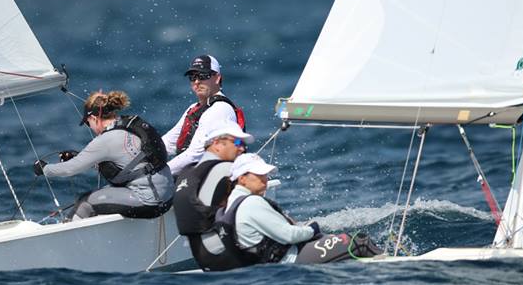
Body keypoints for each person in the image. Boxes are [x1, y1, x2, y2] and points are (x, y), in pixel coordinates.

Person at [217, 153, 382, 267]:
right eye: (259, 174)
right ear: (242, 179)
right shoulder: (251, 203)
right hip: (289, 261)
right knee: (359, 241)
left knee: (333, 241)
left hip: (270, 264)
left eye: (265, 174)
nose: (265, 179)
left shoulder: (231, 205)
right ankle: (391, 271)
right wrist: (313, 228)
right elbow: (289, 235)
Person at [35, 90, 174, 220]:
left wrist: (44, 169)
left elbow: (69, 169)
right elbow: (129, 163)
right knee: (102, 193)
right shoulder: (129, 126)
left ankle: (69, 236)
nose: (90, 127)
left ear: (94, 118)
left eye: (88, 123)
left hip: (150, 202)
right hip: (167, 196)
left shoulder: (105, 140)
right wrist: (78, 156)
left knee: (85, 203)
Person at [171, 121, 253, 271]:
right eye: (237, 142)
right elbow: (255, 206)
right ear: (216, 144)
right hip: (226, 253)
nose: (242, 148)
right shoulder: (228, 169)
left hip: (202, 255)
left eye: (243, 144)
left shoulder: (188, 171)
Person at [162, 54, 246, 177]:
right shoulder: (193, 108)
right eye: (193, 77)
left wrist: (160, 174)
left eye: (203, 76)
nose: (197, 82)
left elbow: (195, 155)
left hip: (213, 180)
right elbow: (168, 144)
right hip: (193, 176)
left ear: (217, 78)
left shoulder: (220, 109)